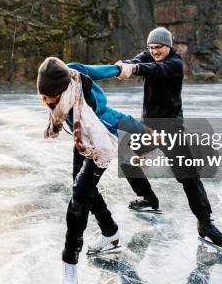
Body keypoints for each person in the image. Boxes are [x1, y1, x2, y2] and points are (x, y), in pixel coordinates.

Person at [116, 27, 222, 248]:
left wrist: (134, 68)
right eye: (151, 47)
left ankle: (205, 222)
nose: (154, 51)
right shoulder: (149, 54)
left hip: (170, 128)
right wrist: (122, 66)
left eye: (158, 47)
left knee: (188, 176)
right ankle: (148, 198)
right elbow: (138, 60)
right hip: (149, 128)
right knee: (125, 155)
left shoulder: (175, 63)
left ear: (168, 46)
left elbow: (154, 70)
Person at [37, 57, 144, 284]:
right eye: (44, 97)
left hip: (101, 140)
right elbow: (94, 69)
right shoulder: (70, 73)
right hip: (82, 140)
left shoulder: (85, 96)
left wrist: (145, 130)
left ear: (62, 89)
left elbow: (115, 115)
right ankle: (110, 230)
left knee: (80, 193)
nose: (48, 102)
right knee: (84, 188)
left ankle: (69, 261)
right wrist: (116, 69)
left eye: (51, 97)